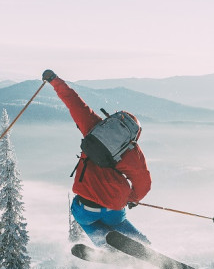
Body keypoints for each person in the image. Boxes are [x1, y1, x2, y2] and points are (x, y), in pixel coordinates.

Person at [42, 69, 151, 247]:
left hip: (86, 207)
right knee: (118, 223)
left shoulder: (94, 126)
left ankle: (105, 248)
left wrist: (54, 80)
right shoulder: (133, 152)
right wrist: (132, 198)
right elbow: (143, 182)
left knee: (84, 219)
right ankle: (144, 245)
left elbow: (74, 102)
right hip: (114, 207)